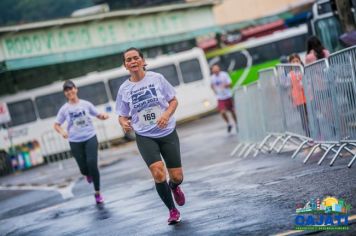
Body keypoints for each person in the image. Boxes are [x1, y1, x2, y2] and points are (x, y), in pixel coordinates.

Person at [116, 47, 185, 225]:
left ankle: (174, 186)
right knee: (157, 172)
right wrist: (123, 122)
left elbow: (173, 100)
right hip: (145, 135)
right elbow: (122, 114)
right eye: (128, 60)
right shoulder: (124, 89)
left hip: (167, 132)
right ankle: (172, 210)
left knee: (177, 176)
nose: (132, 61)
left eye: (135, 58)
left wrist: (166, 115)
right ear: (125, 65)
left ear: (142, 60)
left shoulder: (157, 78)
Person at [54, 80, 109, 204]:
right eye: (66, 90)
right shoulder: (65, 109)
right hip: (74, 140)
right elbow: (56, 125)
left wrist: (103, 116)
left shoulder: (86, 104)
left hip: (90, 137)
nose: (69, 92)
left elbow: (97, 114)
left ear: (76, 89)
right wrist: (62, 132)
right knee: (84, 169)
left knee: (92, 164)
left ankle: (97, 193)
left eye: (71, 89)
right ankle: (86, 173)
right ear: (65, 93)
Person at [210, 64, 237, 133]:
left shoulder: (224, 75)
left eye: (216, 69)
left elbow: (230, 84)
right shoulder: (212, 77)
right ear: (212, 71)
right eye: (214, 70)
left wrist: (225, 85)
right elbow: (212, 85)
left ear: (219, 69)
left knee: (232, 111)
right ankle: (229, 124)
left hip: (228, 96)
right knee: (222, 112)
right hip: (220, 98)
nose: (215, 71)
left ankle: (237, 124)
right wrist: (215, 91)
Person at [289, 53, 310, 137]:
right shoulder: (290, 74)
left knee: (310, 116)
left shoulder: (303, 70)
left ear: (300, 61)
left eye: (297, 61)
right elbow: (289, 87)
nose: (295, 63)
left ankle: (316, 133)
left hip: (308, 97)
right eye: (293, 61)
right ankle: (308, 135)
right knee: (303, 118)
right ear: (290, 63)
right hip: (298, 100)